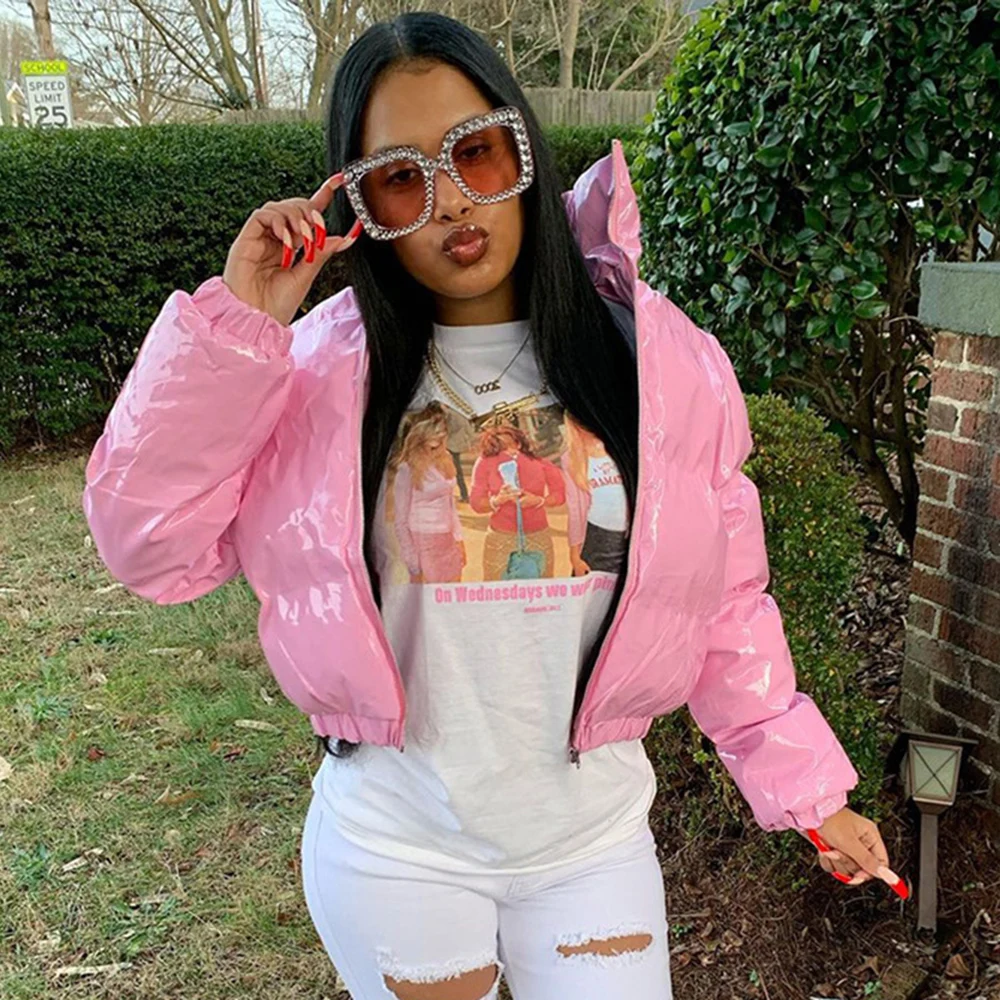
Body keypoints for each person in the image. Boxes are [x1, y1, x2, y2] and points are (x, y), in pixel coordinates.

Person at [81, 11, 903, 1000]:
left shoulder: (656, 360)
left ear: (523, 149)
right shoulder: (307, 374)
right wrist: (240, 325)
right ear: (360, 204)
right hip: (397, 852)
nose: (453, 201)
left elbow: (721, 599)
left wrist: (806, 787)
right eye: (401, 177)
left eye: (475, 151)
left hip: (592, 845)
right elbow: (149, 546)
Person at [469, 423, 565, 579]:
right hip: (501, 536)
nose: (505, 454)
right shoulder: (485, 462)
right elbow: (476, 503)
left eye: (508, 446)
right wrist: (497, 501)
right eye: (498, 448)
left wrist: (539, 501)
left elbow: (559, 495)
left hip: (537, 534)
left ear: (519, 444)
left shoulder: (539, 462)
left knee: (541, 586)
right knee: (497, 587)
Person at [388, 403, 466, 584]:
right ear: (420, 433)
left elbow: (450, 503)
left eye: (444, 431)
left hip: (448, 539)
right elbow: (400, 521)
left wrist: (459, 539)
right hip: (424, 542)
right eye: (436, 430)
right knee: (433, 597)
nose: (441, 435)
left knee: (454, 592)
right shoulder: (407, 468)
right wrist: (413, 563)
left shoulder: (445, 457)